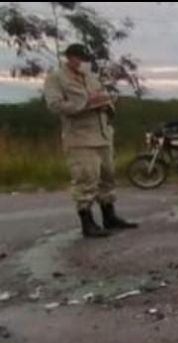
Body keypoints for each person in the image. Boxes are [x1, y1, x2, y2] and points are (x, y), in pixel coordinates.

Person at [43, 43, 137, 238]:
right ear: (69, 57)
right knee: (86, 178)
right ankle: (87, 223)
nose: (81, 61)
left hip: (103, 134)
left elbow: (105, 96)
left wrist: (108, 103)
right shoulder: (56, 78)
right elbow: (54, 105)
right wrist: (85, 104)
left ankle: (109, 216)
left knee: (108, 176)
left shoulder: (92, 77)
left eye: (84, 57)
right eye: (78, 57)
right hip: (80, 137)